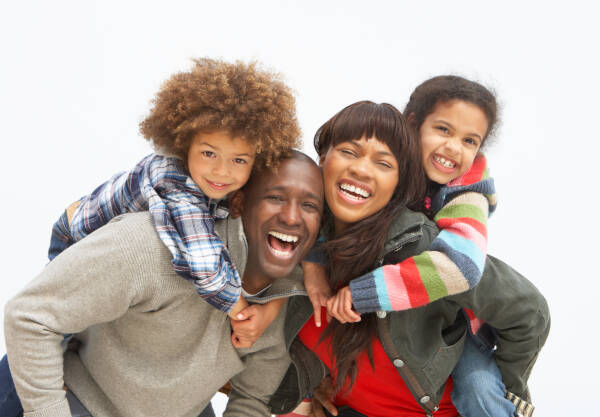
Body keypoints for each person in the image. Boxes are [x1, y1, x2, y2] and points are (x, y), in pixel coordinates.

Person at [269, 101, 549, 417]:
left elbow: (529, 310)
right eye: (349, 152)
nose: (361, 169)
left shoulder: (427, 251)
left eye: (383, 163)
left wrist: (502, 389)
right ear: (323, 159)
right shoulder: (288, 243)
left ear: (399, 183)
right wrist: (304, 390)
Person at [2, 152, 324, 417]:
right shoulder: (150, 246)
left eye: (309, 205)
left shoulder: (288, 300)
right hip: (79, 399)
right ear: (239, 203)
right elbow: (29, 316)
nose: (292, 217)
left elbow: (251, 399)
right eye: (275, 198)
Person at [48, 57, 300, 324]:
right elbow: (204, 263)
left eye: (239, 160)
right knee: (60, 320)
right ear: (184, 144)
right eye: (209, 153)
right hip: (75, 235)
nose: (222, 171)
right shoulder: (172, 179)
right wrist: (240, 311)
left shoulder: (220, 182)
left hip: (118, 258)